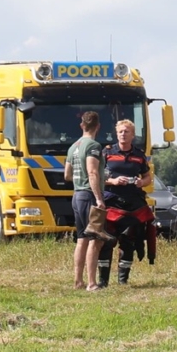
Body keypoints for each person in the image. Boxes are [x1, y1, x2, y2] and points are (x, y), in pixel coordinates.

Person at [94, 119, 155, 288]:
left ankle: (123, 281)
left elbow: (148, 177)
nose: (123, 134)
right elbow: (97, 176)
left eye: (126, 131)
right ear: (116, 134)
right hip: (111, 203)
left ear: (132, 135)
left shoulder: (139, 155)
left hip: (133, 204)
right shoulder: (107, 153)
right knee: (106, 241)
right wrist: (113, 181)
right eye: (120, 131)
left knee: (129, 242)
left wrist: (141, 183)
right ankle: (103, 281)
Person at [68, 110, 105, 291]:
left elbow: (67, 174)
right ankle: (91, 282)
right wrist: (99, 198)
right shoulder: (93, 146)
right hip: (88, 195)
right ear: (97, 126)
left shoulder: (73, 147)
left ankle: (78, 281)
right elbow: (92, 172)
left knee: (82, 238)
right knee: (94, 239)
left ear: (82, 125)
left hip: (76, 195)